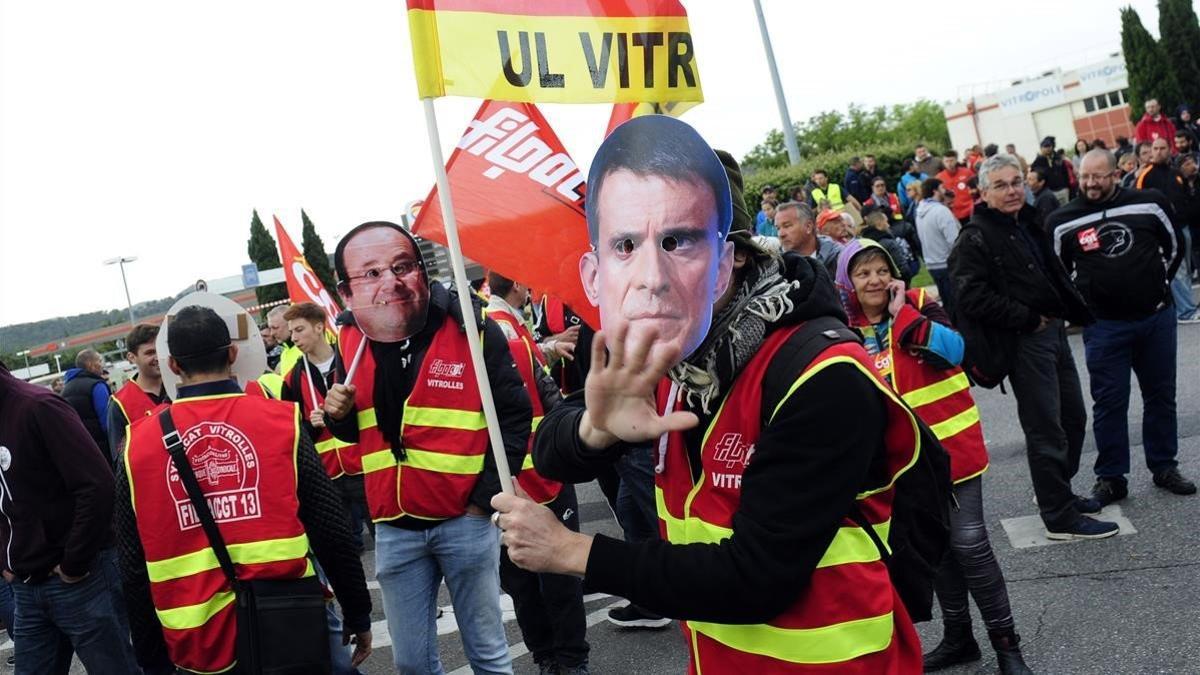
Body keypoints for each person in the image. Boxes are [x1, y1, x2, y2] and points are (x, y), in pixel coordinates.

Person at [495, 117, 925, 673]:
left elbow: (757, 577)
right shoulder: (685, 358)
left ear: (732, 259)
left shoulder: (819, 374)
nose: (652, 277)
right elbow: (553, 449)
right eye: (628, 245)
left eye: (679, 242)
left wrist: (572, 552)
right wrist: (595, 429)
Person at [115, 305, 373, 674]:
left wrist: (152, 660)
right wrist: (358, 612)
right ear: (233, 354)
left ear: (172, 366)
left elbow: (132, 567)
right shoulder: (284, 422)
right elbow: (330, 531)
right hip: (288, 623)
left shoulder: (137, 446)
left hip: (197, 638)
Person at [323, 221, 530, 674]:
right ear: (346, 291)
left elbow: (514, 417)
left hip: (465, 521)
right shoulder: (350, 339)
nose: (390, 282)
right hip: (394, 529)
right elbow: (358, 433)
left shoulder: (469, 328)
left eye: (401, 266)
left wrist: (483, 498)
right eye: (370, 273)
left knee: (489, 655)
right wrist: (338, 416)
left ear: (420, 270)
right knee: (413, 664)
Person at [834, 240, 1032, 674]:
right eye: (863, 273)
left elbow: (956, 352)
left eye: (881, 270)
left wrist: (902, 315)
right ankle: (960, 638)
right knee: (936, 550)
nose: (875, 280)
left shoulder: (922, 304)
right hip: (902, 463)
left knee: (970, 545)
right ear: (846, 283)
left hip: (951, 449)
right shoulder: (842, 330)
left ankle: (1007, 646)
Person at [949, 154, 1115, 540]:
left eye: (1016, 182)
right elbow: (968, 297)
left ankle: (1062, 493)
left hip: (1053, 333)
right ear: (984, 192)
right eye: (1002, 185)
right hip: (1024, 341)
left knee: (1073, 418)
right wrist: (1025, 318)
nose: (1012, 191)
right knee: (1046, 430)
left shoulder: (1025, 222)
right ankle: (1058, 515)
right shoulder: (974, 237)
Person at [1048, 149, 1195, 511]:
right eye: (1085, 176)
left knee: (1161, 396)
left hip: (1155, 318)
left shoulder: (1149, 203)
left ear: (1116, 174)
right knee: (1109, 403)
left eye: (1098, 176)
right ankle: (1111, 476)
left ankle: (1164, 466)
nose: (1090, 183)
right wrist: (1081, 307)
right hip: (1104, 327)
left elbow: (1175, 247)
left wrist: (1156, 284)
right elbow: (1057, 273)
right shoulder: (1062, 220)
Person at [0, 358, 140, 674]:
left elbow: (98, 485)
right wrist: (5, 560)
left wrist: (74, 561)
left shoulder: (37, 407)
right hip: (25, 585)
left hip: (79, 578)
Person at [484, 272, 591, 675]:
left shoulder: (499, 325)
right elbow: (541, 390)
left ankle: (551, 657)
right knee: (553, 575)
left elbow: (540, 386)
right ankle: (566, 659)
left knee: (523, 577)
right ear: (520, 288)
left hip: (512, 476)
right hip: (537, 471)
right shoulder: (503, 327)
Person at [279, 302, 372, 555]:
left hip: (364, 465)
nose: (294, 338)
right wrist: (311, 424)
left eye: (299, 330)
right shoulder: (292, 379)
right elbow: (294, 433)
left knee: (384, 538)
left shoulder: (351, 362)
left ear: (319, 327)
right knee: (345, 551)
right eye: (292, 332)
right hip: (327, 474)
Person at [1134, 137, 1200, 322]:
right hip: (1162, 231)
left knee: (1185, 269)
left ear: (1169, 150)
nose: (1159, 151)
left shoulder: (1175, 173)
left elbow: (1186, 196)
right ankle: (1185, 311)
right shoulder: (1145, 176)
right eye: (1155, 148)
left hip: (1183, 227)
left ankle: (1185, 306)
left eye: (1163, 148)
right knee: (1177, 269)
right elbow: (1138, 204)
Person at [107, 323, 170, 457]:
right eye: (150, 353)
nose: (158, 357)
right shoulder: (119, 404)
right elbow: (120, 459)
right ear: (131, 357)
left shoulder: (180, 385)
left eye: (160, 350)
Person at [916, 178, 962, 313]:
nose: (944, 191)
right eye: (942, 188)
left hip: (932, 263)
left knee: (948, 305)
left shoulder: (919, 211)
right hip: (947, 263)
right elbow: (955, 240)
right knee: (957, 306)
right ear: (935, 191)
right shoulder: (941, 211)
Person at [60, 348, 112, 459]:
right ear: (90, 364)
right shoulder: (97, 386)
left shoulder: (65, 389)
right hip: (103, 450)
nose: (102, 365)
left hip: (81, 450)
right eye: (99, 361)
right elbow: (107, 423)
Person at [859, 207, 918, 281]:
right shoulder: (889, 243)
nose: (888, 225)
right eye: (886, 222)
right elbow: (902, 267)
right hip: (897, 282)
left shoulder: (864, 242)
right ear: (879, 225)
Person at [937, 150, 977, 223]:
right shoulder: (939, 177)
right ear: (943, 162)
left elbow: (976, 187)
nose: (949, 163)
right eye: (946, 161)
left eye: (951, 160)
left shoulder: (967, 172)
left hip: (970, 211)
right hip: (953, 214)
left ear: (956, 160)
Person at [1032, 137, 1071, 204]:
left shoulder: (1058, 157)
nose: (1047, 148)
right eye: (1045, 146)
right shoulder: (1038, 161)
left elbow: (1065, 172)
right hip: (1048, 192)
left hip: (1062, 190)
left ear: (1052, 147)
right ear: (1041, 148)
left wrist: (1067, 187)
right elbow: (1034, 176)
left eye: (1049, 146)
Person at [267, 304, 302, 376]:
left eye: (275, 328)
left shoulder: (306, 351)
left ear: (290, 324)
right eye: (270, 328)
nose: (272, 333)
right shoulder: (284, 354)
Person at [1027, 166, 1061, 231]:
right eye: (1027, 179)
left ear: (1041, 182)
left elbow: (1047, 222)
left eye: (1031, 179)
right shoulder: (1040, 195)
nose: (1027, 182)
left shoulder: (1046, 198)